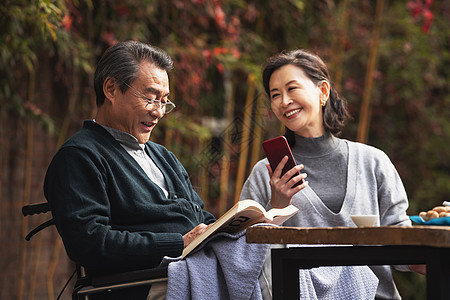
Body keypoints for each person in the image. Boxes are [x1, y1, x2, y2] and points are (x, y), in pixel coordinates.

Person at [240, 49, 424, 299]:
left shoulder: (373, 162)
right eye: (275, 95)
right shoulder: (265, 174)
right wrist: (277, 206)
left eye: (292, 89)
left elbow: (399, 237)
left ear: (323, 91)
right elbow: (243, 250)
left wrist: (429, 256)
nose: (283, 101)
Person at [44, 40, 215, 299]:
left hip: (192, 275)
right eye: (150, 99)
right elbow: (90, 242)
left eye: (164, 102)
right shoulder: (79, 156)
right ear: (111, 89)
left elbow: (198, 216)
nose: (158, 112)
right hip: (144, 285)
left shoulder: (163, 156)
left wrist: (228, 228)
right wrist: (178, 243)